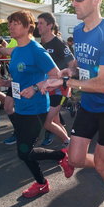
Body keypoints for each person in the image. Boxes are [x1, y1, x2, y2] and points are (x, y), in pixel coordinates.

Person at [44, 0, 104, 207]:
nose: (74, 3)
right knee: (75, 159)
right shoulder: (79, 32)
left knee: (102, 167)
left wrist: (65, 84)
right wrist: (67, 73)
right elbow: (82, 67)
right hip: (89, 105)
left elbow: (102, 84)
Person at [0, 10, 74, 198]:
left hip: (36, 107)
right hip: (21, 106)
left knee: (24, 151)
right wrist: (4, 83)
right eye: (10, 23)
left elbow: (55, 75)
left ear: (28, 27)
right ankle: (46, 176)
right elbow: (20, 78)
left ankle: (57, 162)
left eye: (16, 23)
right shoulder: (18, 50)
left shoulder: (37, 51)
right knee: (24, 151)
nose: (11, 27)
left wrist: (36, 88)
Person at [37, 12, 74, 148]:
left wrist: (64, 81)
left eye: (41, 23)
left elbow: (72, 65)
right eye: (38, 23)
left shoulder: (59, 43)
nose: (38, 26)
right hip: (48, 88)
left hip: (60, 90)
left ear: (50, 25)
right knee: (55, 122)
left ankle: (69, 143)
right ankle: (68, 146)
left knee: (47, 122)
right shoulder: (42, 44)